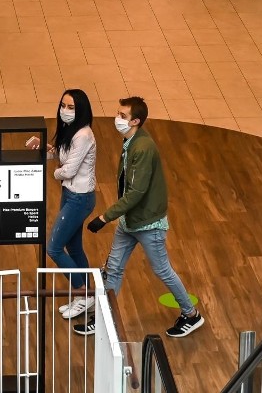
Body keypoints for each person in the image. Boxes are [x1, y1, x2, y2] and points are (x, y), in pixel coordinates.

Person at [77, 96, 204, 338]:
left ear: (135, 120)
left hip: (148, 224)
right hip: (130, 220)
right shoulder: (131, 142)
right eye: (118, 114)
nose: (117, 119)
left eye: (122, 116)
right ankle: (105, 318)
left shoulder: (143, 148)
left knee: (162, 270)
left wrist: (104, 217)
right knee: (113, 269)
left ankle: (191, 314)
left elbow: (136, 192)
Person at [28, 89, 98, 319]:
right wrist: (43, 148)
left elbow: (68, 169)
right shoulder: (71, 131)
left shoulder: (84, 136)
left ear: (81, 111)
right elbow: (60, 155)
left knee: (54, 248)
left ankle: (83, 293)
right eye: (63, 105)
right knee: (74, 248)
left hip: (79, 199)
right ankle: (87, 294)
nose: (65, 111)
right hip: (70, 195)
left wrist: (56, 174)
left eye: (71, 107)